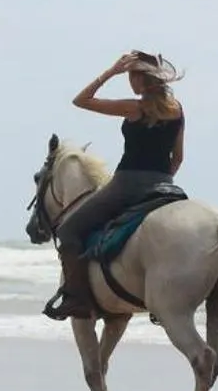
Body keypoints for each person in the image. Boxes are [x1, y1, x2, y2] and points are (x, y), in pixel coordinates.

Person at [43, 50, 185, 320]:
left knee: (69, 229)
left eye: (131, 75)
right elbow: (178, 158)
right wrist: (162, 180)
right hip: (166, 185)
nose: (129, 80)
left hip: (127, 184)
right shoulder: (177, 109)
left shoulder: (134, 107)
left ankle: (77, 299)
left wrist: (110, 71)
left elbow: (81, 100)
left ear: (141, 80)